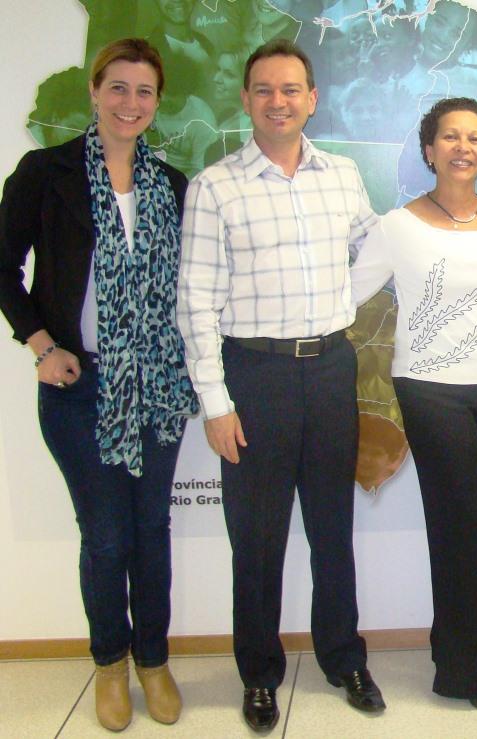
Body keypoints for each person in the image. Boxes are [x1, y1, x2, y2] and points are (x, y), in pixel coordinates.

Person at [177, 39, 385, 732]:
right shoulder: (215, 187)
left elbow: (376, 249)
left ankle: (343, 658)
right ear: (245, 99)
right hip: (254, 376)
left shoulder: (342, 176)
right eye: (264, 89)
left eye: (291, 89)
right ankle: (260, 674)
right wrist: (216, 403)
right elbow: (195, 303)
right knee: (258, 539)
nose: (278, 101)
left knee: (333, 530)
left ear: (312, 98)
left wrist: (342, 300)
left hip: (329, 370)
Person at [0, 38, 197, 731]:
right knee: (108, 535)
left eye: (144, 91)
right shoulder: (47, 172)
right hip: (79, 388)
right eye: (118, 87)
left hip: (157, 388)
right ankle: (110, 662)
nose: (130, 103)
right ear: (94, 90)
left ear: (157, 102)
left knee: (151, 529)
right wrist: (41, 344)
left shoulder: (170, 185)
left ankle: (154, 660)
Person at [349, 97, 477, 716]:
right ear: (429, 149)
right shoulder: (396, 227)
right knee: (461, 529)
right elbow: (347, 297)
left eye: (474, 138)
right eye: (450, 136)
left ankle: (454, 647)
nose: (462, 147)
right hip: (428, 389)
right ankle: (475, 672)